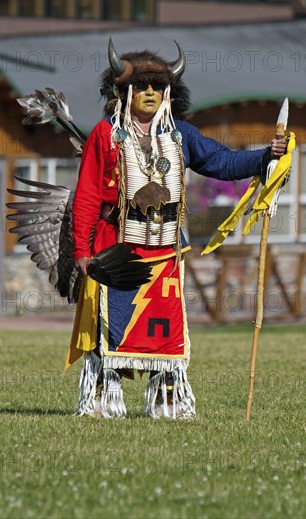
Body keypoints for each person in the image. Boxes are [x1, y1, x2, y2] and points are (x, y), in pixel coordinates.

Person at [68, 38, 287, 420]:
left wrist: (268, 155)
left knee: (164, 329)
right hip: (116, 250)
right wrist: (82, 254)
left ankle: (167, 400)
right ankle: (103, 398)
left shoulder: (180, 134)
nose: (150, 93)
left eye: (159, 86)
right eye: (142, 86)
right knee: (112, 324)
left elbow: (222, 162)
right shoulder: (105, 135)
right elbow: (86, 196)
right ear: (125, 92)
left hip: (166, 251)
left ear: (170, 92)